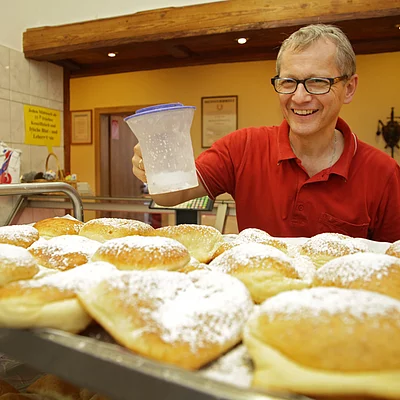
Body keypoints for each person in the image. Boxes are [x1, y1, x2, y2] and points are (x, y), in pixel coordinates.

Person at [132, 24, 400, 242]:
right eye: (288, 82)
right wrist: (154, 166)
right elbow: (170, 195)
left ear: (349, 88)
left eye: (317, 82)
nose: (299, 97)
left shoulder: (383, 173)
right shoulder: (242, 147)